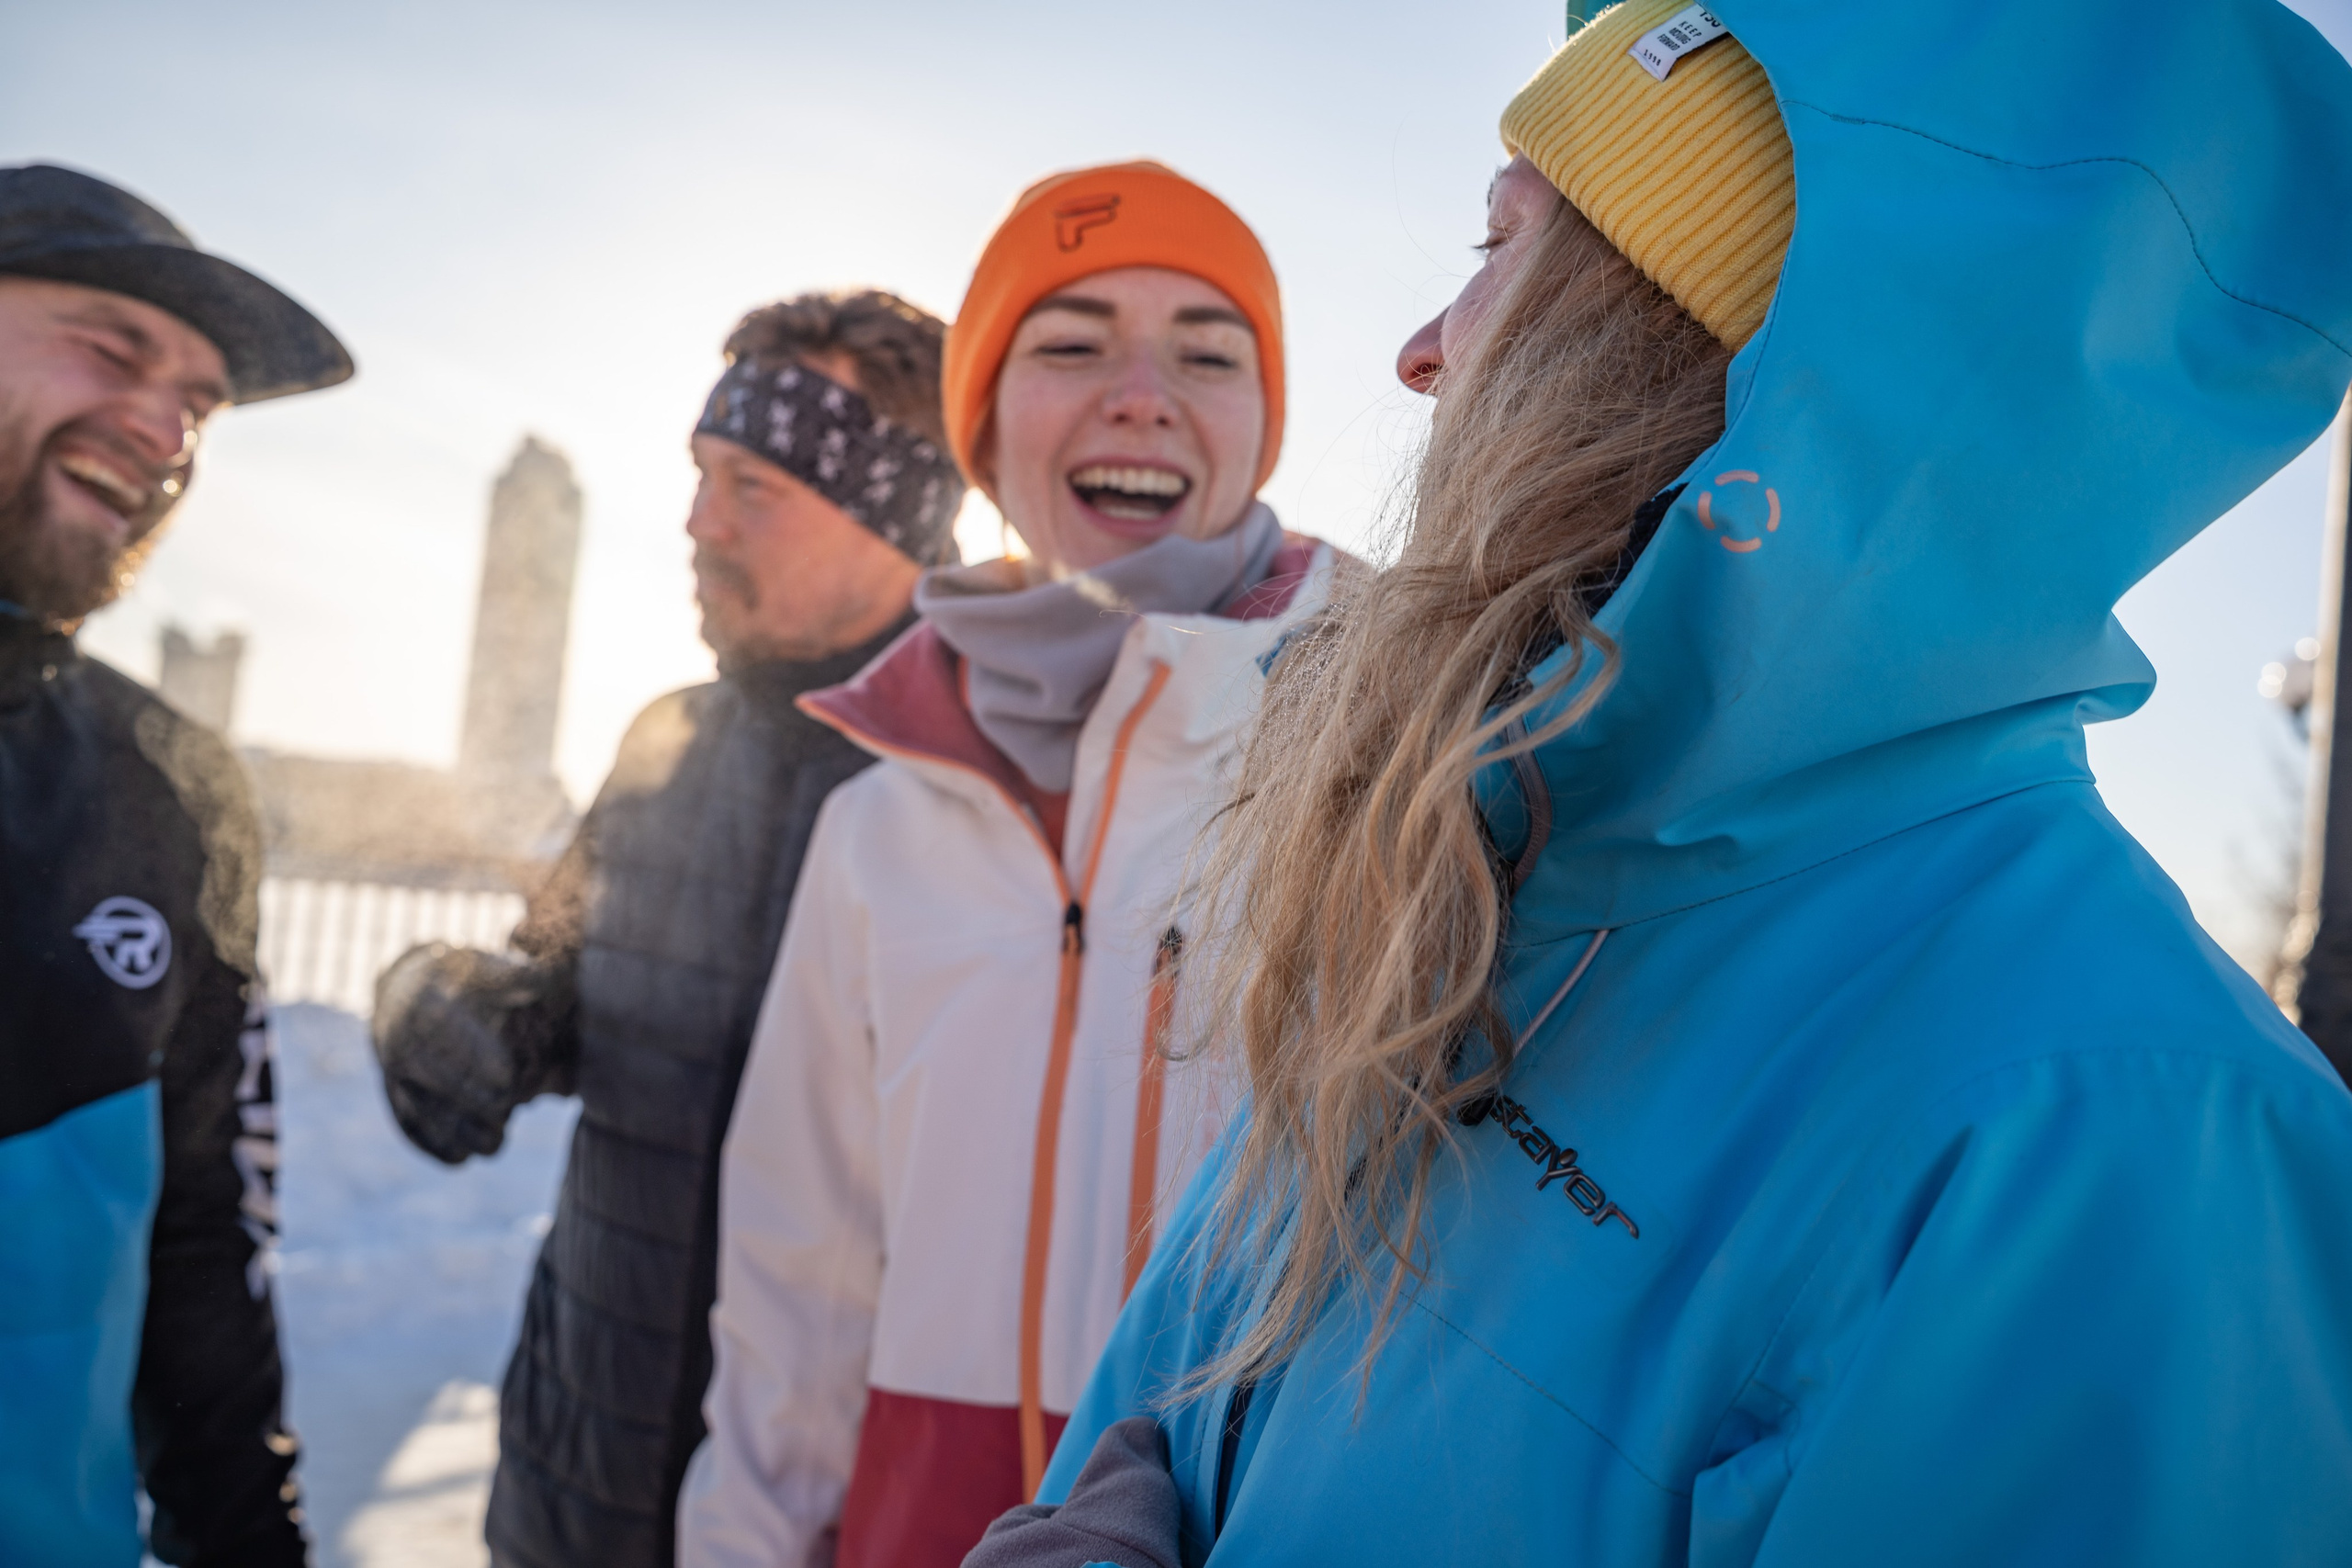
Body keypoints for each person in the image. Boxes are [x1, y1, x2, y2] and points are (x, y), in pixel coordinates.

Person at [995, 1, 2352, 1564]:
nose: (1422, 350)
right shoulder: (1479, 880)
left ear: (1689, 351)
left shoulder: (2119, 1143)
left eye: (1502, 247)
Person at [677, 163, 1339, 1568]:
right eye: (1074, 343)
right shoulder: (880, 817)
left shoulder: (1385, 745)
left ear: (1262, 427)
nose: (1142, 393)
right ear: (982, 424)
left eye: (1208, 354)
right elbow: (798, 1277)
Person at [369, 289, 966, 1568]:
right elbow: (557, 981)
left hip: (837, 1511)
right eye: (702, 478)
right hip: (571, 1480)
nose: (699, 524)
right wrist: (451, 1010)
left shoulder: (998, 782)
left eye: (752, 488)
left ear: (890, 508)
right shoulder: (666, 741)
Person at [0, 163, 352, 1564]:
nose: (168, 430)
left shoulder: (170, 786)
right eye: (112, 345)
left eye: (199, 402)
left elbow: (201, 1247)